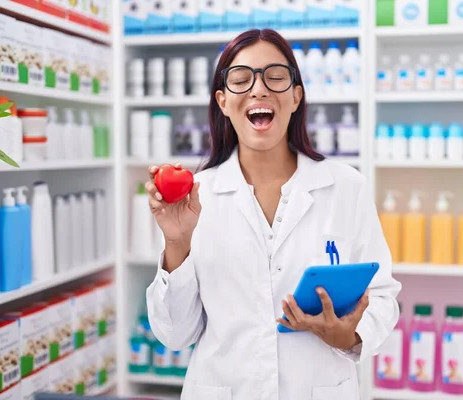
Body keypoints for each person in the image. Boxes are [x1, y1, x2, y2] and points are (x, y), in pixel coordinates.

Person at [145, 28, 402, 400]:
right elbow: (175, 334)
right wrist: (176, 242)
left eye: (276, 77)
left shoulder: (346, 187)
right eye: (241, 79)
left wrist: (349, 335)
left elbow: (382, 296)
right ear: (222, 100)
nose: (259, 89)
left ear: (296, 96)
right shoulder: (196, 197)